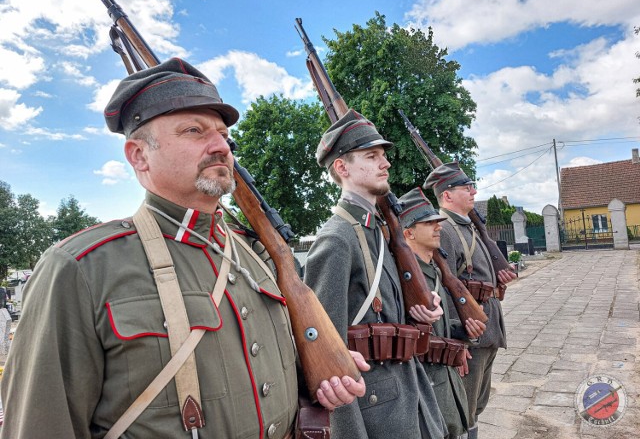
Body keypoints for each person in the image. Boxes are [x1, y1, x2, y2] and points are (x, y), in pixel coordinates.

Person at [0, 58, 367, 439]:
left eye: (223, 134)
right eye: (194, 130)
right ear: (139, 156)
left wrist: (318, 374)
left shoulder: (254, 257)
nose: (221, 146)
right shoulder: (80, 268)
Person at [304, 110, 448, 439]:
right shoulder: (336, 240)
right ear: (342, 167)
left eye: (383, 155)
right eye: (372, 156)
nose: (385, 163)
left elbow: (387, 315)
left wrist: (421, 310)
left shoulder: (377, 233)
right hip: (376, 411)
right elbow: (328, 360)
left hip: (409, 399)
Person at [424, 162, 516, 439]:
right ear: (447, 195)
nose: (474, 191)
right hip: (470, 338)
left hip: (487, 332)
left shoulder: (470, 228)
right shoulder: (446, 231)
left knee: (476, 406)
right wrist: (456, 340)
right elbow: (444, 287)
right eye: (466, 187)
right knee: (463, 411)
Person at [399, 187, 488, 439]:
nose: (438, 227)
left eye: (437, 221)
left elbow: (441, 328)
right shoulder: (406, 280)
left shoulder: (433, 271)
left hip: (448, 384)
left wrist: (464, 333)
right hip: (428, 387)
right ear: (409, 233)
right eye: (428, 223)